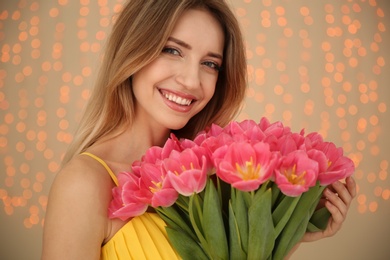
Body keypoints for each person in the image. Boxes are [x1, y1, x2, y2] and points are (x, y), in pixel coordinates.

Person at [41, 0, 356, 259]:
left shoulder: (217, 182)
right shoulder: (83, 186)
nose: (192, 81)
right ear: (133, 52)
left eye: (210, 64)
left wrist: (286, 231)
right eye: (172, 50)